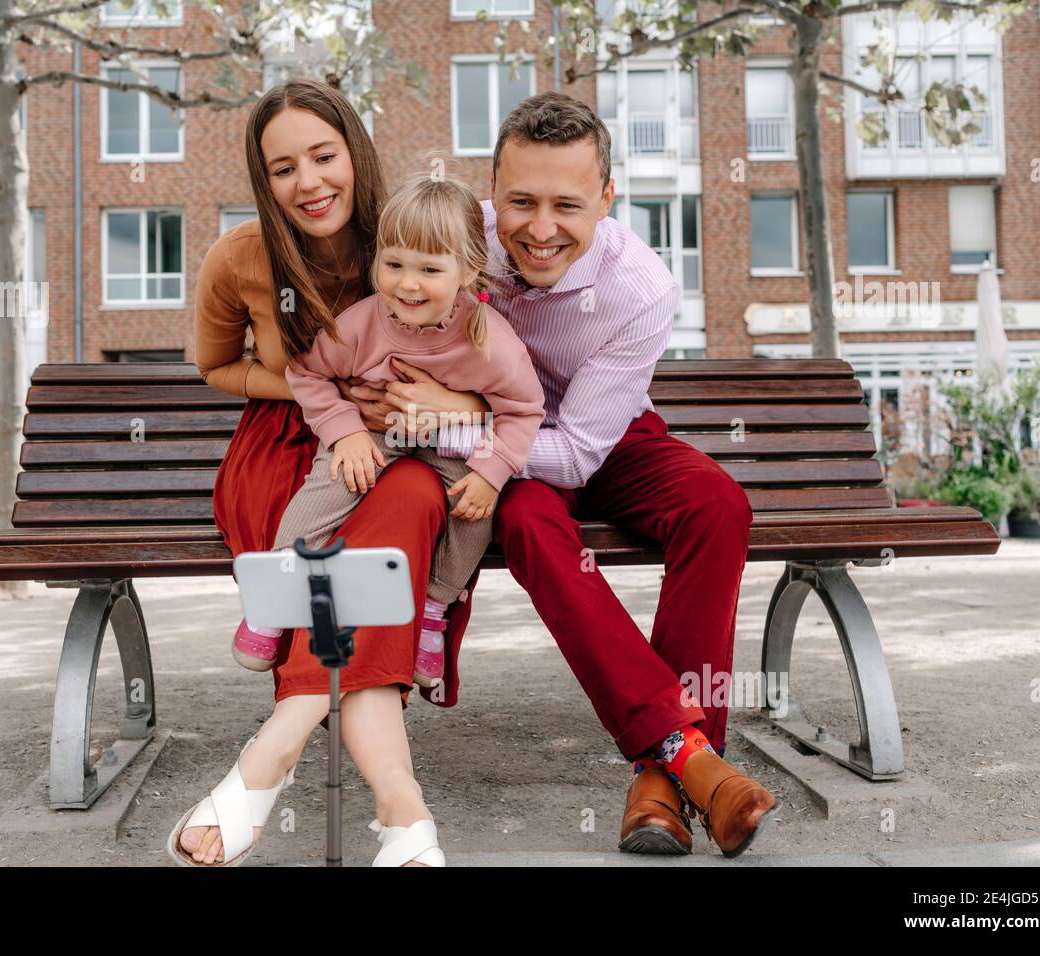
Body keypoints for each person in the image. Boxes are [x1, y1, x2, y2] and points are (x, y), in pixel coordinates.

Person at [336, 92, 778, 858]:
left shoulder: (641, 288)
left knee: (716, 503)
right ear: (490, 192)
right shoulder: (454, 238)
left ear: (608, 198)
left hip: (590, 432)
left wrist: (451, 418)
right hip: (501, 456)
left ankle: (660, 765)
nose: (540, 230)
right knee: (524, 517)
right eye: (521, 202)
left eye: (567, 205)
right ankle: (692, 761)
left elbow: (578, 451)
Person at [169, 80, 481, 867]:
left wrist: (446, 400)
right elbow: (214, 367)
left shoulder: (412, 232)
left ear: (355, 154)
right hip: (288, 454)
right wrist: (331, 397)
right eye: (282, 169)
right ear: (262, 181)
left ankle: (272, 754)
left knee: (413, 495)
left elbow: (491, 350)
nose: (307, 182)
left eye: (322, 156)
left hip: (412, 445)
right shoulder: (240, 257)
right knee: (358, 537)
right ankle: (402, 810)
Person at [242, 175, 544, 689]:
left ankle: (433, 609)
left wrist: (492, 473)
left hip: (453, 443)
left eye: (429, 269)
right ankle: (275, 595)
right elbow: (306, 373)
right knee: (329, 486)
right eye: (394, 264)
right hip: (373, 434)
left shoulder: (491, 340)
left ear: (468, 270)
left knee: (474, 511)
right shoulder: (359, 324)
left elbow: (523, 409)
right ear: (377, 258)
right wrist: (344, 433)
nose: (408, 284)